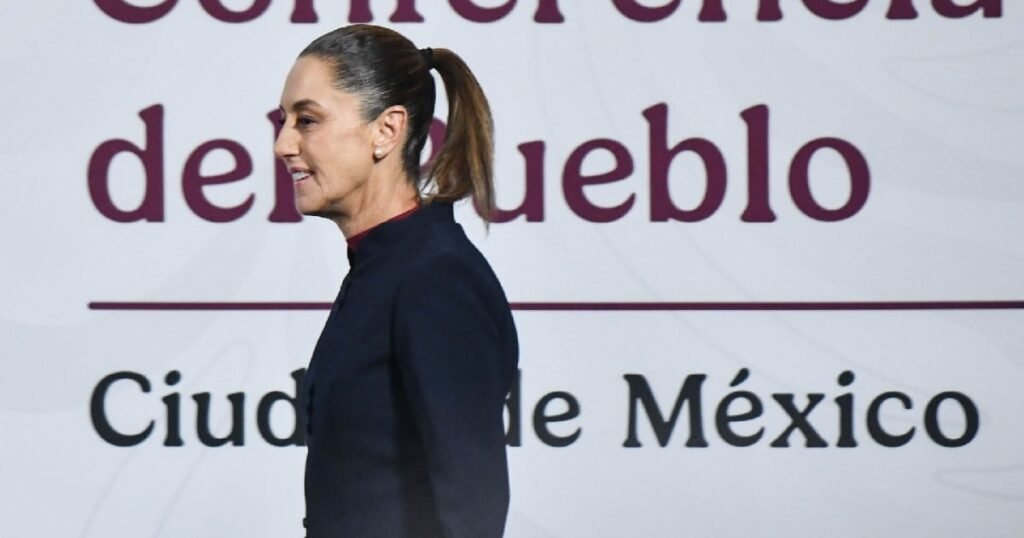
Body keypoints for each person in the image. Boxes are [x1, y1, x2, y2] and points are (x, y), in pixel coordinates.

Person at [273, 24, 519, 538]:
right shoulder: (383, 268)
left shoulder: (435, 279)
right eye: (284, 121)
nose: (283, 144)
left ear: (386, 130)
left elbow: (472, 508)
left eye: (307, 120)